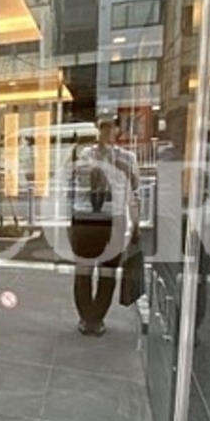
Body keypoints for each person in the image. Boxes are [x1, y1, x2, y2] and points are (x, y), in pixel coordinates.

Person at [70, 115, 140, 336]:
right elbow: (78, 180)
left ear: (117, 130)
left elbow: (134, 192)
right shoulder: (85, 155)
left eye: (111, 127)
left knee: (108, 273)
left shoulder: (127, 158)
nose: (106, 132)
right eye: (102, 127)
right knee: (83, 271)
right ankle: (85, 316)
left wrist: (135, 224)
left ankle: (98, 317)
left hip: (114, 220)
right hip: (86, 219)